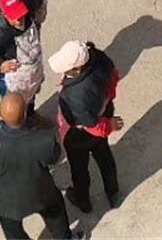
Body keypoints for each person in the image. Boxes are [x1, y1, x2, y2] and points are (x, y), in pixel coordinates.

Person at [0, 92, 74, 240]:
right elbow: (54, 158)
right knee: (56, 211)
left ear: (0, 114)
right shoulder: (44, 140)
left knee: (12, 230)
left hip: (5, 200)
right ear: (25, 114)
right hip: (41, 194)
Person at [50, 39, 122, 213]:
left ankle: (82, 201)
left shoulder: (75, 95)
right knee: (105, 158)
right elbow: (114, 76)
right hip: (103, 114)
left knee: (79, 170)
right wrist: (107, 105)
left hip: (79, 135)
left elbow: (91, 124)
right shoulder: (98, 58)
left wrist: (107, 126)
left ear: (76, 70)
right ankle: (112, 193)